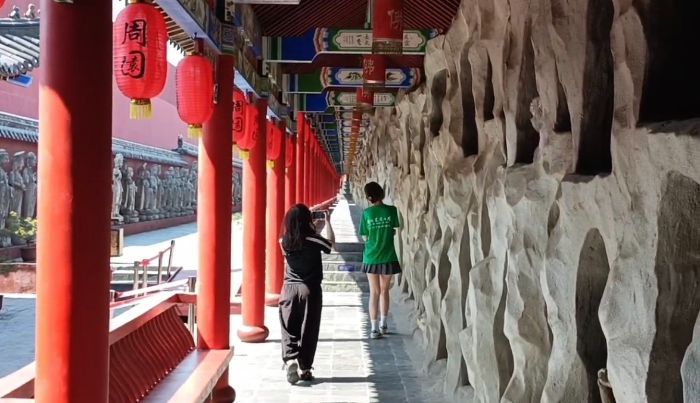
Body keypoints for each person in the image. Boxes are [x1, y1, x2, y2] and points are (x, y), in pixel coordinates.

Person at [279, 204, 335, 384]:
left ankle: (290, 359)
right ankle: (305, 368)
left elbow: (287, 257)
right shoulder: (314, 239)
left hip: (289, 289)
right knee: (309, 329)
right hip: (310, 289)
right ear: (307, 220)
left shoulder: (284, 241)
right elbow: (330, 244)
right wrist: (328, 222)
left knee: (288, 327)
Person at [359, 182, 402, 339]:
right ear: (381, 193)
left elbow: (365, 237)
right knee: (385, 291)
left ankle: (374, 329)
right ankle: (384, 324)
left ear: (369, 197)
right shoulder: (392, 210)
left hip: (371, 257)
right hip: (388, 256)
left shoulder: (366, 213)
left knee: (374, 292)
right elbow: (394, 230)